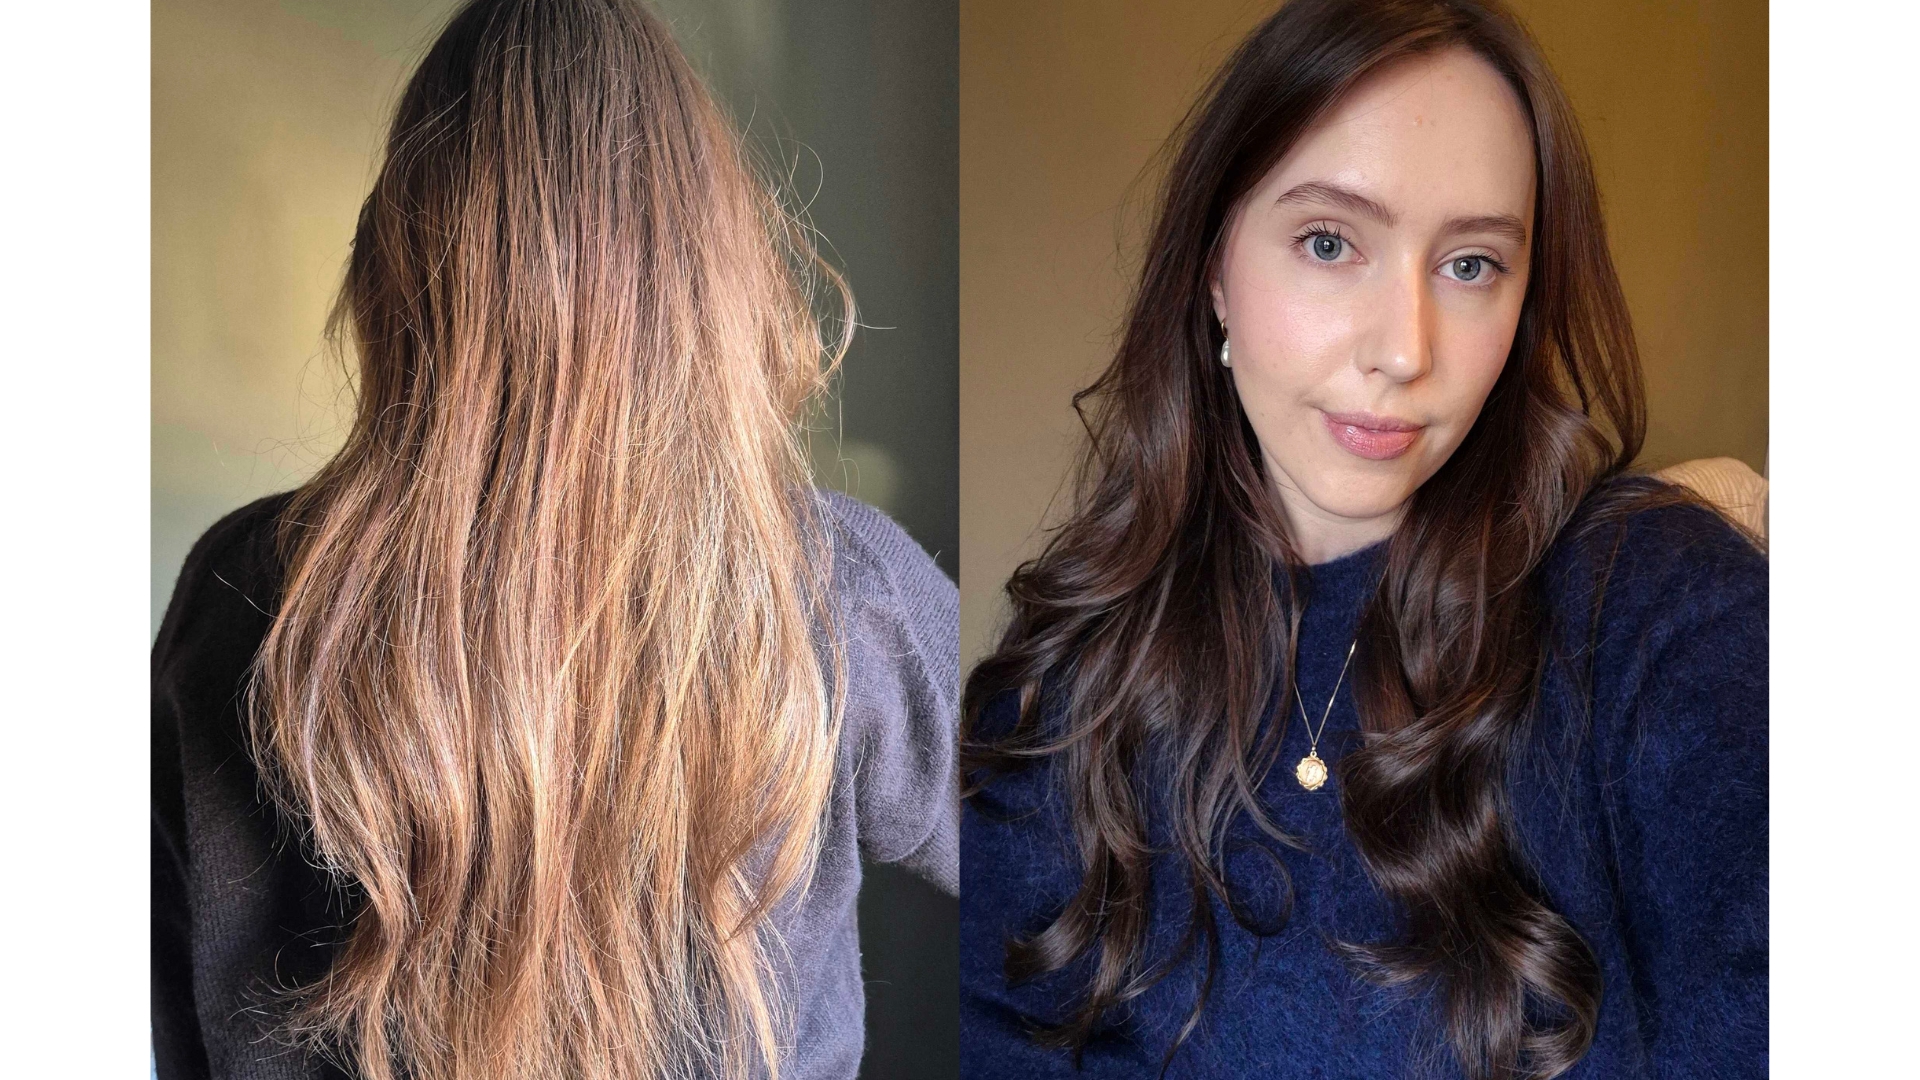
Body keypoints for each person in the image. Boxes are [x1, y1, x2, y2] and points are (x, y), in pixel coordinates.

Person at [958, 1, 1765, 1077]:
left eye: (1471, 264)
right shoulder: (1070, 671)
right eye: (1330, 242)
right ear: (1213, 271)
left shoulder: (1661, 611)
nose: (1404, 350)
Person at [150, 2, 957, 1078]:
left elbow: (179, 1009)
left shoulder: (239, 592)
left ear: (399, 264)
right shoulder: (836, 586)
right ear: (710, 268)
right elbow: (1078, 872)